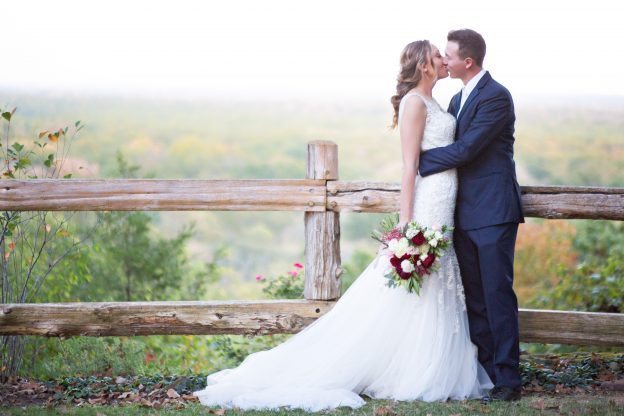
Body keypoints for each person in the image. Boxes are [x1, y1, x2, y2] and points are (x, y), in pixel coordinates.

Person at [192, 40, 493, 412]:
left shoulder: (438, 102)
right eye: (437, 55)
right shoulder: (415, 102)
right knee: (415, 284)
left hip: (446, 199)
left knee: (438, 279)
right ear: (425, 65)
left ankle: (423, 361)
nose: (444, 60)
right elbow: (408, 165)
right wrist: (405, 222)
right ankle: (408, 366)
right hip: (428, 201)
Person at [418, 29, 525, 402]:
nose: (443, 61)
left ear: (468, 61)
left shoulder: (496, 97)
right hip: (462, 211)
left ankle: (509, 380)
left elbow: (465, 150)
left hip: (494, 210)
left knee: (496, 294)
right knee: (475, 298)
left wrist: (415, 163)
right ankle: (487, 373)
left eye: (448, 56)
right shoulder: (457, 98)